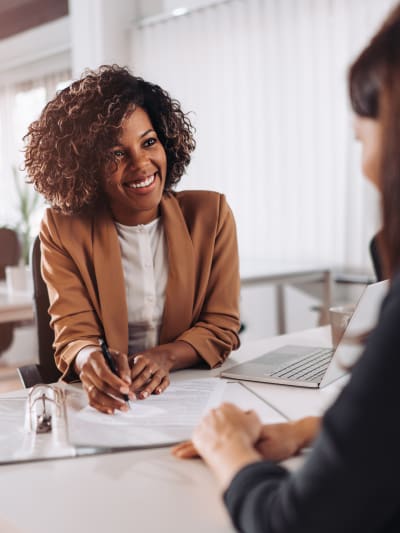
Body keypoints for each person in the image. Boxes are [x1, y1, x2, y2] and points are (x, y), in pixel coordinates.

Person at [173, 5, 400, 532]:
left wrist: (230, 451)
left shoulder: (211, 213)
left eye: (362, 137)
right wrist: (309, 430)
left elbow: (295, 523)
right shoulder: (67, 235)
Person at [24, 65, 240, 414]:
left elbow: (221, 325)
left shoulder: (210, 215)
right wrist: (89, 360)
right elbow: (72, 332)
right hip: (110, 405)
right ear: (87, 166)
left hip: (191, 396)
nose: (142, 164)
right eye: (117, 153)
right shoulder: (62, 229)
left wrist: (164, 357)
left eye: (149, 142)